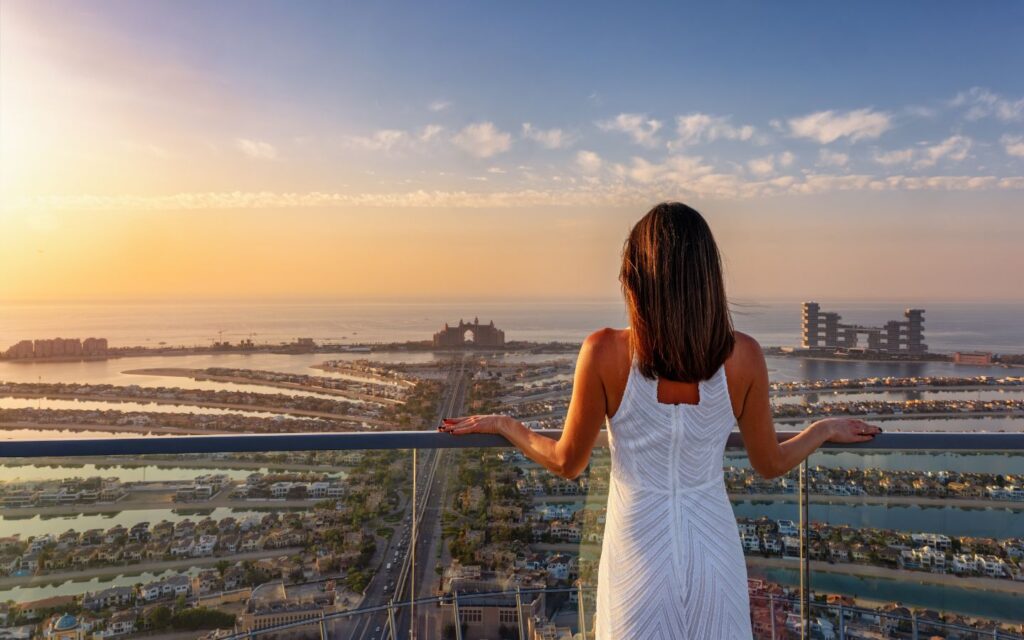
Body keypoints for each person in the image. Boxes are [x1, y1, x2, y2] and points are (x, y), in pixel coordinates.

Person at [440, 202, 880, 639]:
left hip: (636, 557)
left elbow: (566, 461)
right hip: (714, 553)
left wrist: (505, 424)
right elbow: (769, 463)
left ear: (636, 279)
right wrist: (821, 430)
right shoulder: (744, 356)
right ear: (708, 278)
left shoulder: (603, 352)